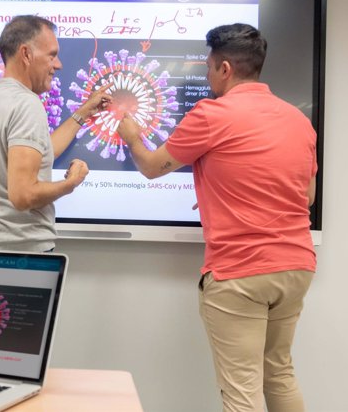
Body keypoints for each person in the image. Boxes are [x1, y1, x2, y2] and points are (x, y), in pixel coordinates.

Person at [117, 23, 317, 412]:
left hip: (241, 272)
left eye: (208, 68)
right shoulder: (298, 120)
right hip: (296, 265)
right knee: (279, 373)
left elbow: (153, 167)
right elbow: (304, 196)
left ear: (225, 69)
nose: (207, 77)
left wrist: (132, 137)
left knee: (241, 392)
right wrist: (227, 191)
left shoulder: (212, 113)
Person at [0, 15, 112, 251]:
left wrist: (83, 113)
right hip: (23, 259)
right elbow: (23, 195)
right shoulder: (27, 104)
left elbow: (40, 152)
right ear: (26, 54)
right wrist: (71, 183)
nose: (59, 65)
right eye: (52, 55)